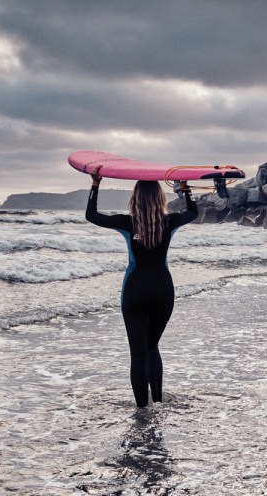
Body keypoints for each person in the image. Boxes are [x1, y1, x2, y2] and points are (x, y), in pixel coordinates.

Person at [86, 170, 197, 408]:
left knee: (138, 354)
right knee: (152, 346)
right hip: (163, 291)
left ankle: (141, 411)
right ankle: (157, 401)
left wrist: (95, 185)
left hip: (135, 291)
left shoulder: (127, 222)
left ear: (135, 197)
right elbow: (193, 212)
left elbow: (91, 215)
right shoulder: (170, 221)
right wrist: (183, 189)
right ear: (160, 197)